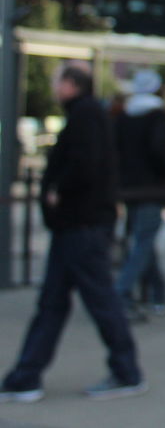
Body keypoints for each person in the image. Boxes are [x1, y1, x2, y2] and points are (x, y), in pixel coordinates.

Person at [0, 66, 147, 403]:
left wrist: (58, 190)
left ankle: (126, 372)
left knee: (98, 300)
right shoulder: (87, 114)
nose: (53, 86)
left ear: (71, 85)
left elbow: (85, 163)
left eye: (56, 80)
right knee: (53, 302)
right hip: (75, 226)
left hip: (81, 226)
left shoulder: (86, 115)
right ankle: (26, 376)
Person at [114, 68, 165, 321]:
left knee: (142, 239)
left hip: (130, 188)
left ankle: (157, 293)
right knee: (144, 240)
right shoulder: (157, 114)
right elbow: (160, 151)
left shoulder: (125, 115)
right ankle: (122, 292)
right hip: (150, 187)